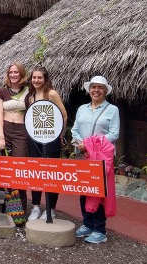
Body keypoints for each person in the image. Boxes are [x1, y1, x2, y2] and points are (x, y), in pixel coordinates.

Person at [71, 76, 120, 244]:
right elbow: (75, 131)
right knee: (84, 190)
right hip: (82, 155)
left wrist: (91, 145)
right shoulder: (81, 109)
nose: (96, 90)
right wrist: (81, 144)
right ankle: (87, 224)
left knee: (98, 192)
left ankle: (100, 229)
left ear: (105, 91)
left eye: (100, 88)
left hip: (101, 158)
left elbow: (114, 134)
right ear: (89, 90)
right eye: (93, 87)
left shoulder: (112, 110)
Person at [25, 67, 68, 221]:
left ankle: (51, 208)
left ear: (45, 79)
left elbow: (63, 114)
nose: (36, 80)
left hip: (51, 138)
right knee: (36, 171)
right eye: (34, 78)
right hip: (35, 139)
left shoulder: (51, 94)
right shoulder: (31, 97)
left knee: (52, 172)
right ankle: (36, 206)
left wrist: (60, 135)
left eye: (39, 78)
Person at [0, 62, 29, 216]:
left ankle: (20, 208)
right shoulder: (1, 92)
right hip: (5, 129)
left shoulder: (29, 92)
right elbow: (0, 115)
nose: (13, 75)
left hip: (21, 131)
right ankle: (4, 205)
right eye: (11, 72)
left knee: (19, 168)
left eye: (16, 72)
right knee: (4, 169)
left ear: (21, 74)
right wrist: (1, 136)